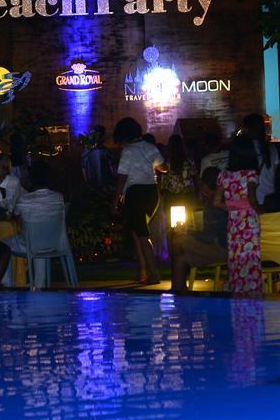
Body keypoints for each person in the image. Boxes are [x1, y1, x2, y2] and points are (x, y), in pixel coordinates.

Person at [112, 117, 167, 284]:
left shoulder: (128, 151)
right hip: (152, 192)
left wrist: (115, 202)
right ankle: (142, 272)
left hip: (135, 193)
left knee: (142, 234)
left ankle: (154, 274)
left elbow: (122, 178)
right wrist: (151, 165)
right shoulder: (150, 147)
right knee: (138, 232)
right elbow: (164, 168)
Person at [170, 165, 229, 293]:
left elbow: (208, 237)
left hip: (222, 248)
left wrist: (187, 232)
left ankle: (177, 293)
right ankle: (179, 291)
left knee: (177, 240)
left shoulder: (214, 203)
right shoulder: (226, 198)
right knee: (181, 259)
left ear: (206, 185)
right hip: (229, 247)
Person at [10, 160, 67, 286]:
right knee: (38, 241)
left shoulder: (24, 199)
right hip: (55, 243)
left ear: (31, 179)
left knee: (2, 246)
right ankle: (38, 285)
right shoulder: (59, 197)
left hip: (30, 244)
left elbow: (16, 218)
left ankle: (6, 285)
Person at [219, 134, 263, 295]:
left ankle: (237, 294)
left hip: (234, 223)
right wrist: (260, 211)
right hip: (249, 222)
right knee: (251, 259)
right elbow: (251, 197)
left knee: (236, 259)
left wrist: (233, 206)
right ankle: (252, 295)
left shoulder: (224, 175)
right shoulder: (250, 174)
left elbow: (216, 202)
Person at [243, 113, 280, 205]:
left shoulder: (244, 148)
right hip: (270, 196)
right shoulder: (271, 147)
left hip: (253, 199)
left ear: (247, 129)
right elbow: (276, 172)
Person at [81, 126, 114, 193]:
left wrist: (87, 182)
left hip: (91, 186)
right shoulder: (105, 150)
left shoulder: (85, 150)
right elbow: (112, 168)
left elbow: (83, 168)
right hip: (104, 186)